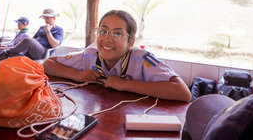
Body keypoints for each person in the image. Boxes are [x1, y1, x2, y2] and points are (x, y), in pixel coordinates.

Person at [43, 10, 191, 101]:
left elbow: (183, 93)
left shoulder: (141, 59)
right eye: (103, 31)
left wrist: (124, 84)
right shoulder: (90, 54)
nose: (107, 39)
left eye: (117, 33)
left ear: (130, 42)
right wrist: (77, 74)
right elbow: (48, 64)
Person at [0, 8, 64, 61]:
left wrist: (48, 31)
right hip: (34, 48)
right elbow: (33, 40)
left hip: (43, 52)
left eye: (47, 18)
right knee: (16, 55)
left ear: (54, 18)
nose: (45, 20)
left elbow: (55, 45)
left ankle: (4, 54)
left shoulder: (59, 30)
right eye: (44, 18)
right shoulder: (41, 28)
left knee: (27, 40)